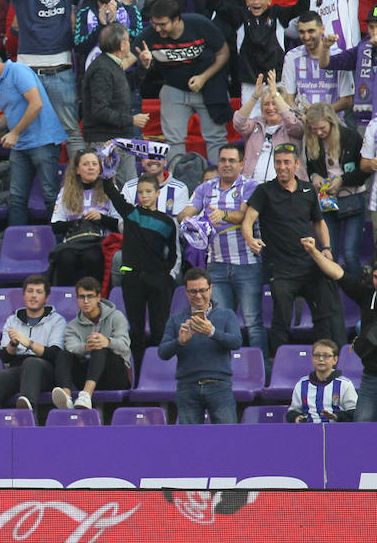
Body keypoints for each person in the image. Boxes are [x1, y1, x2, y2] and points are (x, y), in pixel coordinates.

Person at [241, 143, 346, 353]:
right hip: (281, 269)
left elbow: (319, 222)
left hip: (310, 265)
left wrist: (326, 248)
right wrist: (250, 239)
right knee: (281, 320)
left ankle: (329, 359)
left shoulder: (308, 189)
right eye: (278, 162)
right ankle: (278, 364)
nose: (282, 167)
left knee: (325, 315)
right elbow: (248, 220)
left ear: (296, 164)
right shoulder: (264, 190)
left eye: (287, 162)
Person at [0, 0, 83, 156]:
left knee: (71, 132)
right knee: (24, 133)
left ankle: (83, 188)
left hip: (61, 73)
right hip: (28, 76)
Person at [0, 49, 68, 228]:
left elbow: (36, 103)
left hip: (42, 141)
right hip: (21, 145)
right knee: (16, 197)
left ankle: (58, 241)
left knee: (50, 194)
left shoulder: (18, 71)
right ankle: (16, 241)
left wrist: (15, 132)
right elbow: (11, 112)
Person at [179, 145, 265, 348]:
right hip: (216, 265)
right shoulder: (205, 188)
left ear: (242, 164)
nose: (226, 165)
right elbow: (188, 210)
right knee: (220, 323)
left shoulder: (251, 186)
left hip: (247, 264)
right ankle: (226, 371)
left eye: (232, 161)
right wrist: (185, 218)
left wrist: (223, 214)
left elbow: (245, 215)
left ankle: (263, 373)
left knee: (253, 323)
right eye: (223, 160)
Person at [137, 0, 231, 163]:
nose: (158, 29)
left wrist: (204, 77)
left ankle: (219, 182)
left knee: (216, 138)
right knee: (173, 141)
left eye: (162, 24)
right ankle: (177, 181)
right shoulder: (150, 35)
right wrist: (145, 63)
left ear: (176, 20)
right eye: (154, 24)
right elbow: (127, 58)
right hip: (173, 88)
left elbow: (223, 53)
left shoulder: (199, 25)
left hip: (208, 87)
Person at [299, 235, 377, 419]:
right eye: (375, 277)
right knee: (361, 427)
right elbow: (337, 273)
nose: (376, 282)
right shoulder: (368, 296)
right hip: (371, 376)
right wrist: (314, 252)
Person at [110, 170, 179, 372]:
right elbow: (112, 194)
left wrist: (166, 277)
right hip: (132, 279)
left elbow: (174, 255)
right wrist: (108, 174)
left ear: (158, 193)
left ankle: (158, 374)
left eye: (149, 191)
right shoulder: (131, 215)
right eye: (140, 192)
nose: (144, 195)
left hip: (158, 280)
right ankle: (139, 375)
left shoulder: (167, 222)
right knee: (136, 332)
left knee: (160, 331)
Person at [157, 267, 241, 424]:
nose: (198, 296)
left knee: (228, 437)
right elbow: (162, 352)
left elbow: (236, 342)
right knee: (188, 441)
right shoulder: (176, 319)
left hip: (219, 385)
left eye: (202, 290)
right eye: (192, 291)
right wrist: (180, 342)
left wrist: (212, 332)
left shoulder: (227, 315)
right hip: (187, 386)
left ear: (211, 288)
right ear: (186, 292)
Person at [0, 274, 68, 412]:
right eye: (30, 291)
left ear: (47, 297)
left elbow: (55, 353)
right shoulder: (12, 320)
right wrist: (13, 344)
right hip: (18, 369)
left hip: (46, 370)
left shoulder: (57, 321)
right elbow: (5, 356)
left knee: (32, 363)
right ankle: (1, 429)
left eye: (39, 292)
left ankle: (27, 416)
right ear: (24, 295)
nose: (33, 296)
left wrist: (29, 344)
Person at [52, 276, 133, 410]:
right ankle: (66, 397)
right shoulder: (72, 326)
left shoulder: (116, 316)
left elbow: (124, 345)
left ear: (98, 297)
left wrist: (107, 342)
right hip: (87, 374)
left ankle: (86, 395)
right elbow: (71, 347)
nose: (86, 301)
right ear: (76, 299)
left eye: (90, 296)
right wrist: (86, 347)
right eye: (81, 297)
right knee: (63, 354)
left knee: (100, 346)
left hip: (115, 374)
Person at [82, 24, 149, 181]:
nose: (130, 44)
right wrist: (131, 119)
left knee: (125, 191)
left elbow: (125, 87)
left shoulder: (110, 65)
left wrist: (143, 67)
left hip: (117, 139)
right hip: (107, 141)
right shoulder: (103, 69)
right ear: (121, 44)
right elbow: (99, 110)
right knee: (121, 191)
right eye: (128, 40)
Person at [303, 103, 366, 269]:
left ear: (332, 122)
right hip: (327, 201)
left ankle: (355, 293)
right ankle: (332, 293)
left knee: (350, 253)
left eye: (322, 128)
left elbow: (364, 170)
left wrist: (342, 179)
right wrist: (314, 176)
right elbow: (310, 168)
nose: (318, 132)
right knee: (329, 253)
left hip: (352, 197)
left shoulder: (351, 137)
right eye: (314, 129)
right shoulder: (312, 140)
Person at [49, 149, 120, 288]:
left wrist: (101, 218)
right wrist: (78, 222)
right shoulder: (66, 191)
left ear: (100, 168)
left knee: (93, 257)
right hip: (73, 242)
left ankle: (97, 300)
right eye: (86, 164)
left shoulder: (110, 189)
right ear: (77, 170)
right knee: (65, 258)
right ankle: (65, 300)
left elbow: (120, 224)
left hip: (99, 242)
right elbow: (55, 226)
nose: (91, 167)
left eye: (95, 163)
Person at [235, 78, 306, 184]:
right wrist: (254, 97)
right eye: (266, 104)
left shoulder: (292, 127)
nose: (270, 108)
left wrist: (275, 94)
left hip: (284, 189)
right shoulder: (256, 124)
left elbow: (291, 122)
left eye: (274, 103)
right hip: (252, 187)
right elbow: (238, 123)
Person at [281, 13, 355, 111]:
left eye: (311, 31)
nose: (306, 37)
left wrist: (318, 115)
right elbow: (288, 98)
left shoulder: (338, 55)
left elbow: (347, 100)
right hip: (302, 121)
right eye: (302, 32)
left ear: (322, 29)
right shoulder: (291, 56)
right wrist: (300, 116)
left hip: (332, 121)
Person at [74, 0, 145, 69]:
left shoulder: (130, 10)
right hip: (94, 69)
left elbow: (138, 40)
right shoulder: (84, 13)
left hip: (126, 69)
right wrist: (101, 25)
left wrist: (114, 23)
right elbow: (79, 47)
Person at [286, 337, 358, 422]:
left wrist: (335, 416)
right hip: (308, 430)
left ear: (335, 360)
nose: (321, 359)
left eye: (326, 356)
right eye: (317, 355)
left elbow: (354, 413)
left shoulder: (345, 384)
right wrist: (297, 418)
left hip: (337, 431)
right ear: (312, 358)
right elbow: (293, 411)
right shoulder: (302, 384)